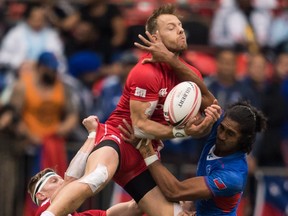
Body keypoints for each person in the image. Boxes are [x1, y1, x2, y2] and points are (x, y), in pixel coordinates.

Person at [41, 4, 215, 216]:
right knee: (98, 176)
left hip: (144, 152)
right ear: (155, 38)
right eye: (171, 27)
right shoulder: (146, 72)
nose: (180, 30)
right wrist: (184, 132)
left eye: (180, 25)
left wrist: (203, 124)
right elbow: (140, 127)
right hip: (118, 137)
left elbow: (211, 106)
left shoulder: (190, 73)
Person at [132, 101, 267, 215]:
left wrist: (147, 151)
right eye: (222, 128)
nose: (221, 136)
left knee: (150, 201)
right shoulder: (220, 130)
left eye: (230, 134)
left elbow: (174, 191)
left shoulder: (233, 176)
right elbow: (205, 96)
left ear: (244, 140)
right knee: (137, 205)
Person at [28, 115, 141, 216]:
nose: (62, 182)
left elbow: (135, 207)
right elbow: (70, 179)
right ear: (41, 195)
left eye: (60, 179)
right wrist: (93, 134)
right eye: (54, 181)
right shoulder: (43, 210)